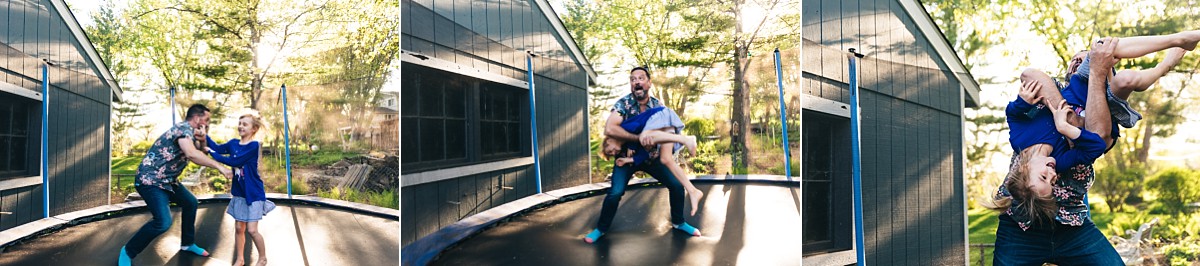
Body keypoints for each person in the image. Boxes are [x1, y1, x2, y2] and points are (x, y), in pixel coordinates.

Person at [989, 37, 1126, 265]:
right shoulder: (1049, 97)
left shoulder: (1104, 109)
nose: (1078, 63)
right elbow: (1030, 78)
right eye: (1076, 60)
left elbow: (1100, 138)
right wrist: (1065, 114)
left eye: (1085, 61)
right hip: (1021, 227)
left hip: (1073, 228)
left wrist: (1097, 74)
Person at [584, 67, 701, 243]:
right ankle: (601, 228)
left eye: (640, 78)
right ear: (631, 85)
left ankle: (678, 222)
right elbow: (610, 128)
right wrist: (639, 139)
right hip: (626, 160)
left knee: (676, 186)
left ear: (648, 83)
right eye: (632, 79)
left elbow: (661, 132)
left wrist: (652, 142)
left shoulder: (658, 106)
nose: (636, 82)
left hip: (650, 157)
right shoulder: (623, 104)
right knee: (615, 192)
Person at [119, 104, 234, 266]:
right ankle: (128, 251)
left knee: (190, 202)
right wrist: (220, 167)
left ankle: (187, 243)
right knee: (163, 222)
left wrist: (202, 139)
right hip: (150, 180)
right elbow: (191, 154)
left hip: (168, 181)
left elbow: (201, 150)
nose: (207, 123)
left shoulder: (191, 134)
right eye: (206, 120)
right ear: (197, 118)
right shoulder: (183, 129)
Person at [600, 105, 701, 215]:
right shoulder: (625, 146)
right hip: (665, 124)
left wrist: (633, 145)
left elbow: (635, 126)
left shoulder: (622, 128)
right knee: (666, 159)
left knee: (643, 138)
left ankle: (686, 139)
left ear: (608, 141)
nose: (614, 153)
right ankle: (693, 191)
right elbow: (644, 154)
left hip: (661, 114)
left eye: (610, 151)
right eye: (612, 154)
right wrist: (627, 160)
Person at [207, 113, 274, 266]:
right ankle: (240, 259)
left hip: (254, 194)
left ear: (254, 128)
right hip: (239, 194)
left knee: (252, 230)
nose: (241, 126)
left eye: (245, 124)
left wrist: (212, 153)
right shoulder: (233, 143)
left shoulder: (253, 146)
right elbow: (217, 147)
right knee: (239, 228)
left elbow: (234, 160)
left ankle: (262, 258)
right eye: (240, 123)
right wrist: (205, 137)